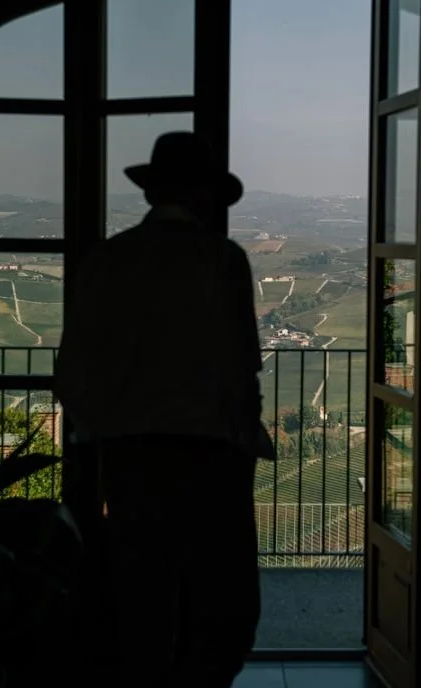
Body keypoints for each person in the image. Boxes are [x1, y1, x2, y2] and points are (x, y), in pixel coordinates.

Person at [54, 131, 274, 687]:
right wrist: (244, 439)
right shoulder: (223, 261)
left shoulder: (105, 260)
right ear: (206, 197)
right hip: (212, 460)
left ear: (153, 193)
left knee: (141, 608)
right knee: (223, 612)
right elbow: (242, 366)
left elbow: (74, 371)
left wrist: (100, 436)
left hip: (130, 461)